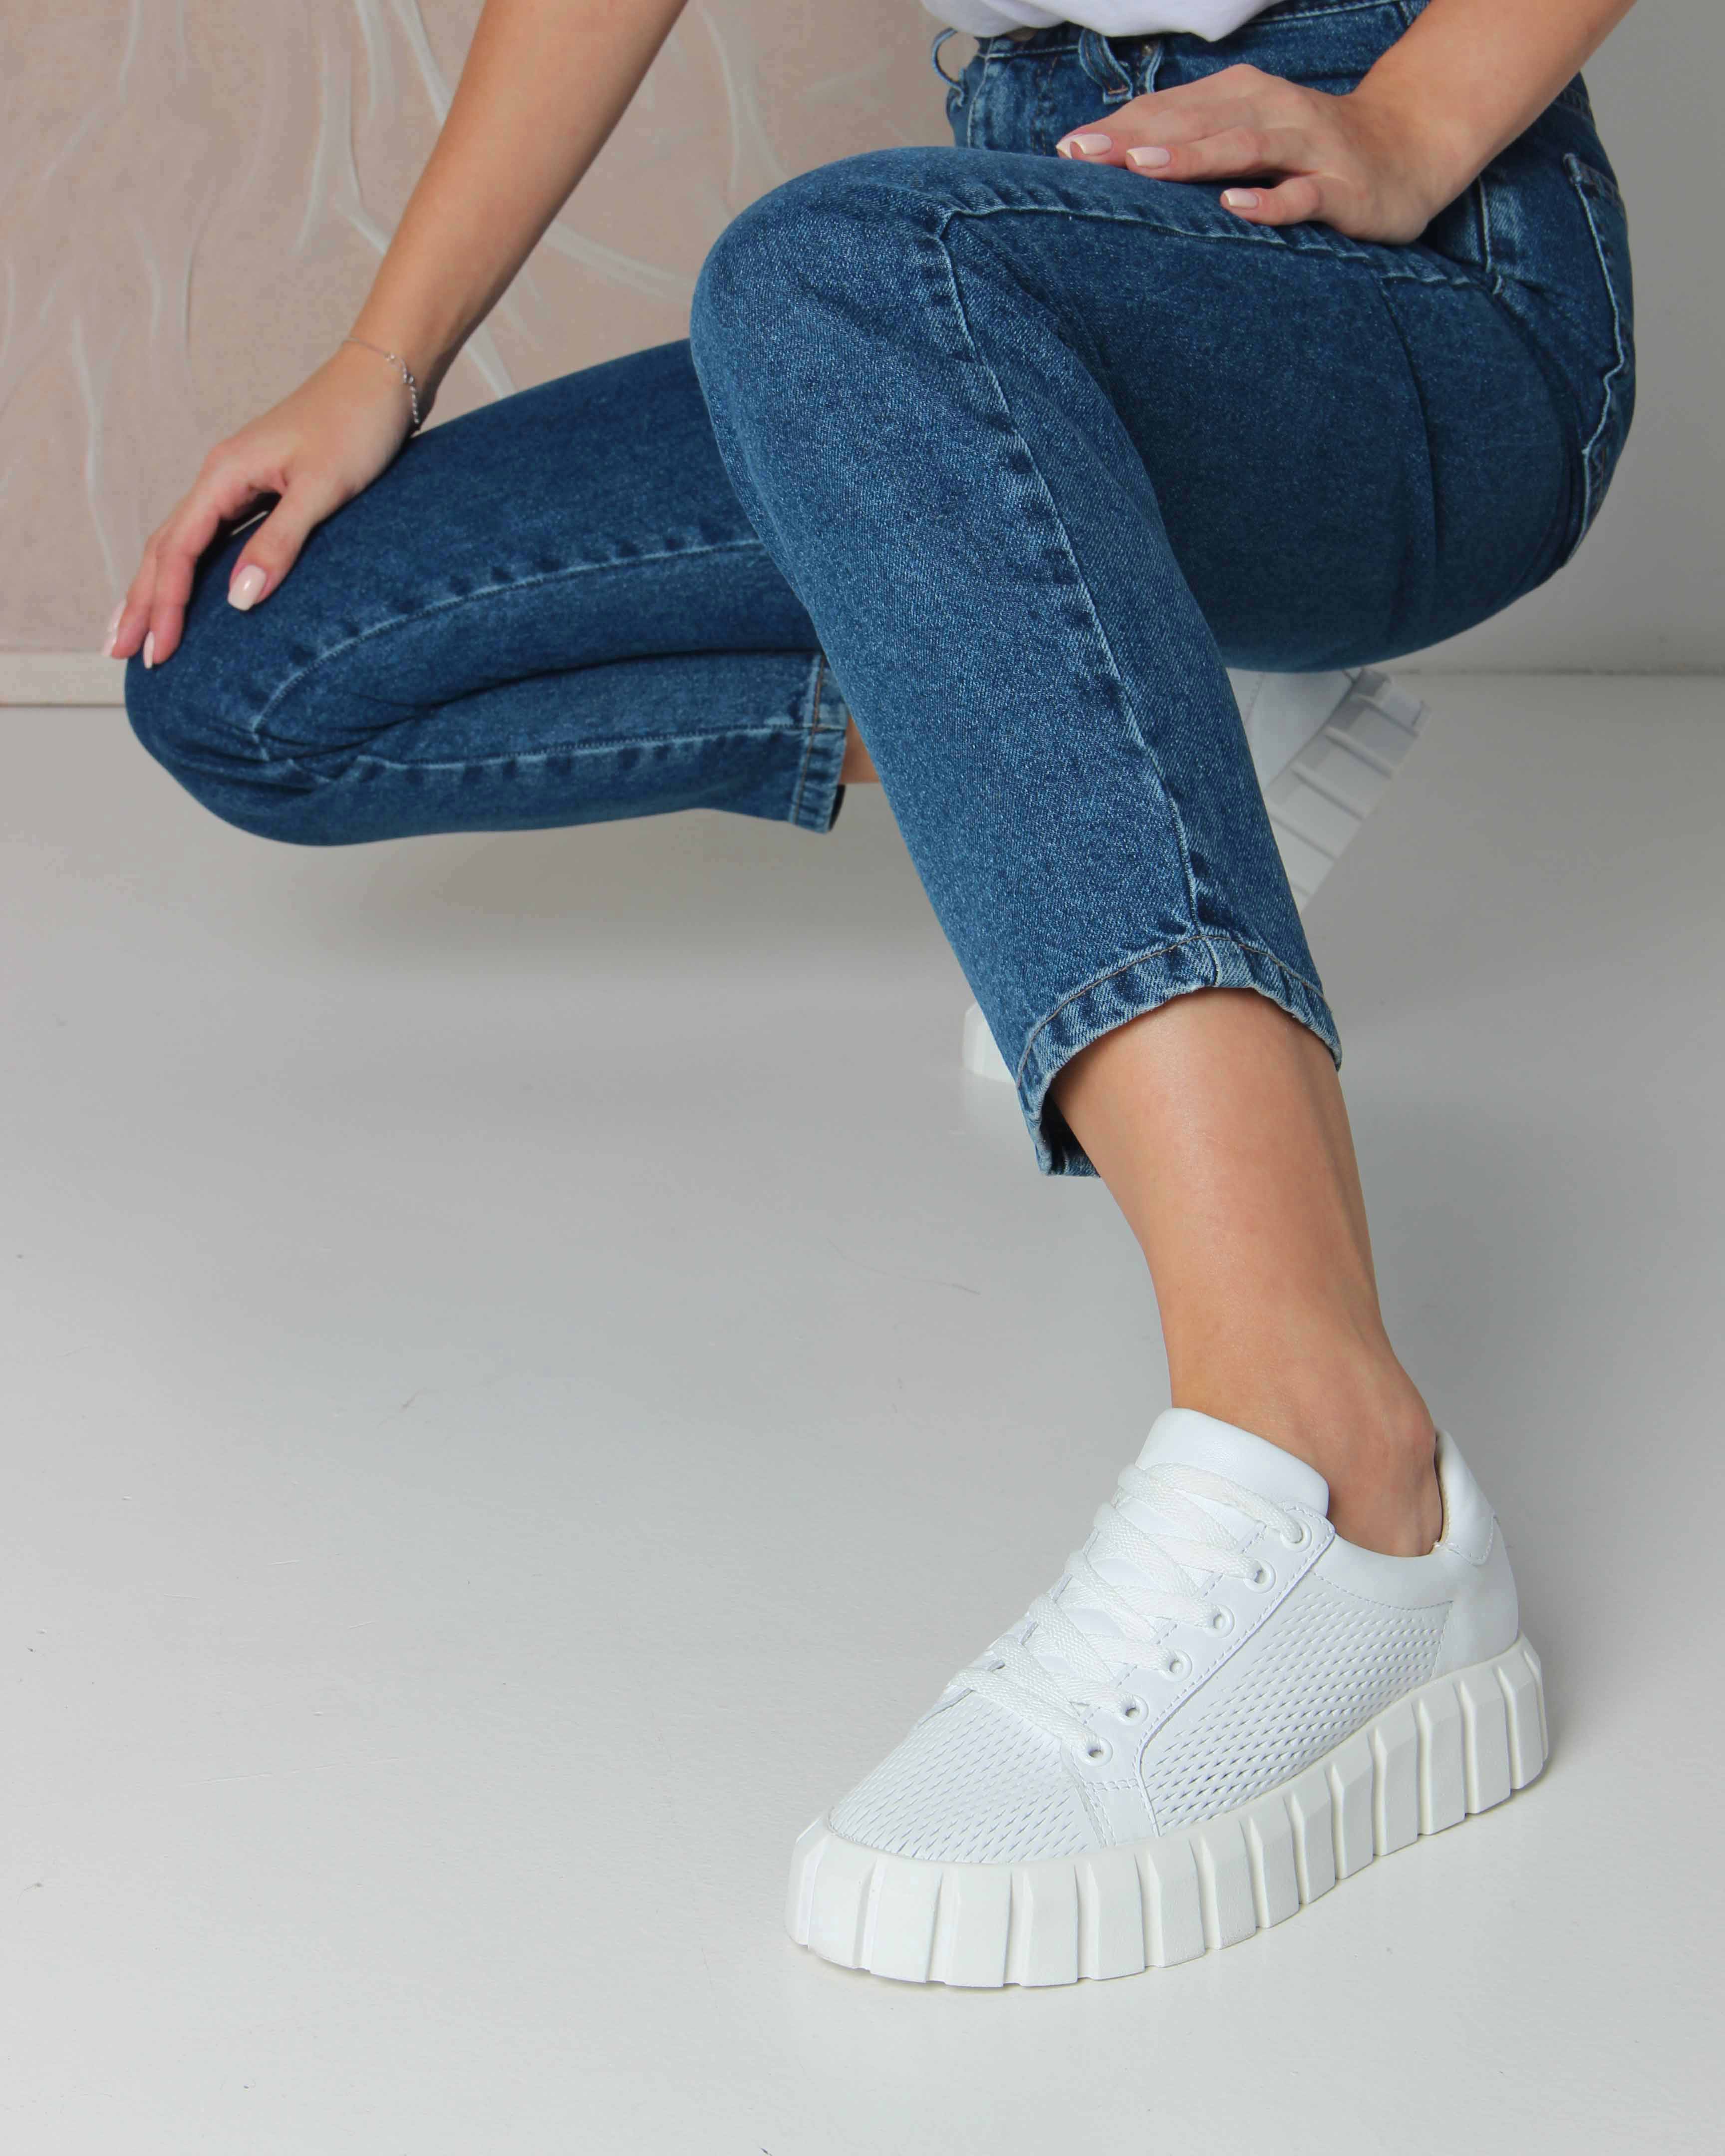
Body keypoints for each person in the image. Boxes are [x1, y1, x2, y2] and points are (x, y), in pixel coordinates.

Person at [115, 0, 1637, 1985]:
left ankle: (1342, 1480)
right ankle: (1127, 701)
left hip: (1401, 277)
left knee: (827, 273)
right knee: (256, 664)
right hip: (993, 235)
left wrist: (1420, 119)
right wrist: (378, 359)